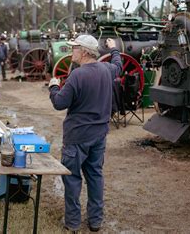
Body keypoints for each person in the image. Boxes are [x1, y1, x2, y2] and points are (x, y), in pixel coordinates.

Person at [48, 35, 121, 232]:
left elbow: (59, 103)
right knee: (95, 176)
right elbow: (118, 65)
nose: (72, 51)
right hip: (99, 135)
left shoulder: (78, 76)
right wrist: (114, 49)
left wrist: (54, 86)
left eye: (75, 48)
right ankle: (95, 221)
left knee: (72, 179)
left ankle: (72, 223)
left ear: (85, 52)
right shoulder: (106, 70)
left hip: (77, 137)